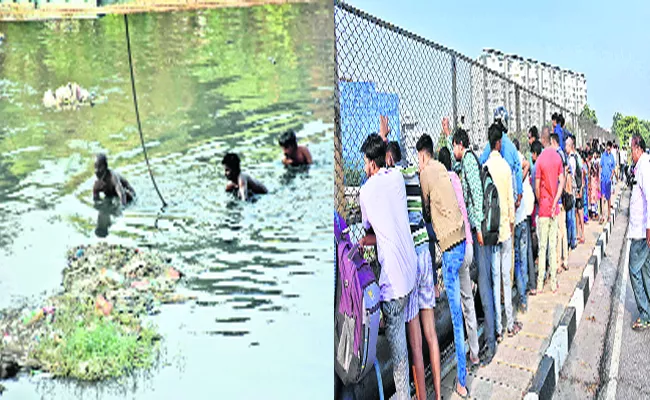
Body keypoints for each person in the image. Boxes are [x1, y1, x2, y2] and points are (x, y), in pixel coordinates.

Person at [357, 134, 416, 400]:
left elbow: (370, 226)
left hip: (392, 282)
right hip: (410, 273)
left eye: (365, 162)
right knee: (407, 340)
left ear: (370, 162)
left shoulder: (366, 191)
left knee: (399, 354)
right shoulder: (397, 177)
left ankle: (403, 396)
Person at [385, 141, 441, 400]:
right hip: (425, 255)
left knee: (415, 344)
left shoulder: (392, 179)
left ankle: (422, 398)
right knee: (431, 336)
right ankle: (438, 395)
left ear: (388, 158)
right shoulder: (412, 173)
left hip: (408, 260)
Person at [416, 133, 469, 398]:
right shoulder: (444, 170)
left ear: (421, 155)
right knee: (462, 303)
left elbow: (424, 210)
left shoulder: (425, 172)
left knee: (456, 318)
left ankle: (461, 380)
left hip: (448, 248)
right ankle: (467, 361)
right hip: (461, 239)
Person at [447, 127, 498, 365]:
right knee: (484, 283)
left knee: (485, 287)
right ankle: (491, 334)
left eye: (453, 145)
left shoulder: (468, 159)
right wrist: (448, 135)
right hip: (476, 230)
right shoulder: (466, 160)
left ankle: (490, 341)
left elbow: (476, 196)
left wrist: (477, 228)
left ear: (460, 145)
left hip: (477, 232)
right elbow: (455, 171)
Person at [439, 147, 481, 370]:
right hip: (469, 244)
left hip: (454, 247)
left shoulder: (441, 183)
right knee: (468, 302)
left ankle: (461, 362)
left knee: (455, 308)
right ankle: (475, 352)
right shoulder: (456, 177)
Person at [484, 123, 522, 340]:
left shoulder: (485, 167)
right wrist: (511, 224)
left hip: (490, 232)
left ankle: (497, 328)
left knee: (495, 278)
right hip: (505, 229)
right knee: (506, 279)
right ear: (499, 143)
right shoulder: (506, 168)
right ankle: (509, 323)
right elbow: (508, 201)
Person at [534, 127, 565, 294]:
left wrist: (542, 201)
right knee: (553, 246)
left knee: (542, 247)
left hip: (544, 209)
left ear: (542, 139)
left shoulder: (539, 160)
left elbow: (537, 186)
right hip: (554, 208)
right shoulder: (558, 158)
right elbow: (562, 180)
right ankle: (553, 282)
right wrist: (556, 200)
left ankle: (540, 283)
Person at [627, 134, 650, 331]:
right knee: (645, 271)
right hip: (641, 230)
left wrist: (649, 228)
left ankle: (645, 313)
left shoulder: (644, 166)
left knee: (634, 270)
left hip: (642, 232)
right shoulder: (641, 166)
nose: (630, 153)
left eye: (630, 149)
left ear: (637, 148)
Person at [480, 107, 523, 207]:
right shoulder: (511, 146)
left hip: (493, 193)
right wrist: (519, 192)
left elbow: (482, 161)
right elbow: (518, 170)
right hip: (508, 191)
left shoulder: (489, 145)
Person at [512, 139, 530, 313]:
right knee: (522, 258)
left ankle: (523, 299)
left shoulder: (509, 158)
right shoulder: (519, 157)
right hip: (523, 216)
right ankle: (524, 297)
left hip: (516, 219)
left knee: (517, 260)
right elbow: (527, 165)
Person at [551, 133, 569, 274]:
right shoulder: (563, 155)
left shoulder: (555, 155)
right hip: (562, 195)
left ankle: (557, 263)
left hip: (556, 197)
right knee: (563, 230)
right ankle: (566, 260)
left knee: (557, 231)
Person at [600, 141, 616, 224]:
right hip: (603, 179)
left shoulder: (612, 157)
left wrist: (611, 177)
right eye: (607, 148)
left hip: (608, 180)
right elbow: (600, 166)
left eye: (609, 149)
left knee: (608, 198)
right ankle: (603, 215)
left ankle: (609, 215)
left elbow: (613, 169)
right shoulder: (603, 156)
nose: (608, 150)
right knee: (602, 197)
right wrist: (600, 177)